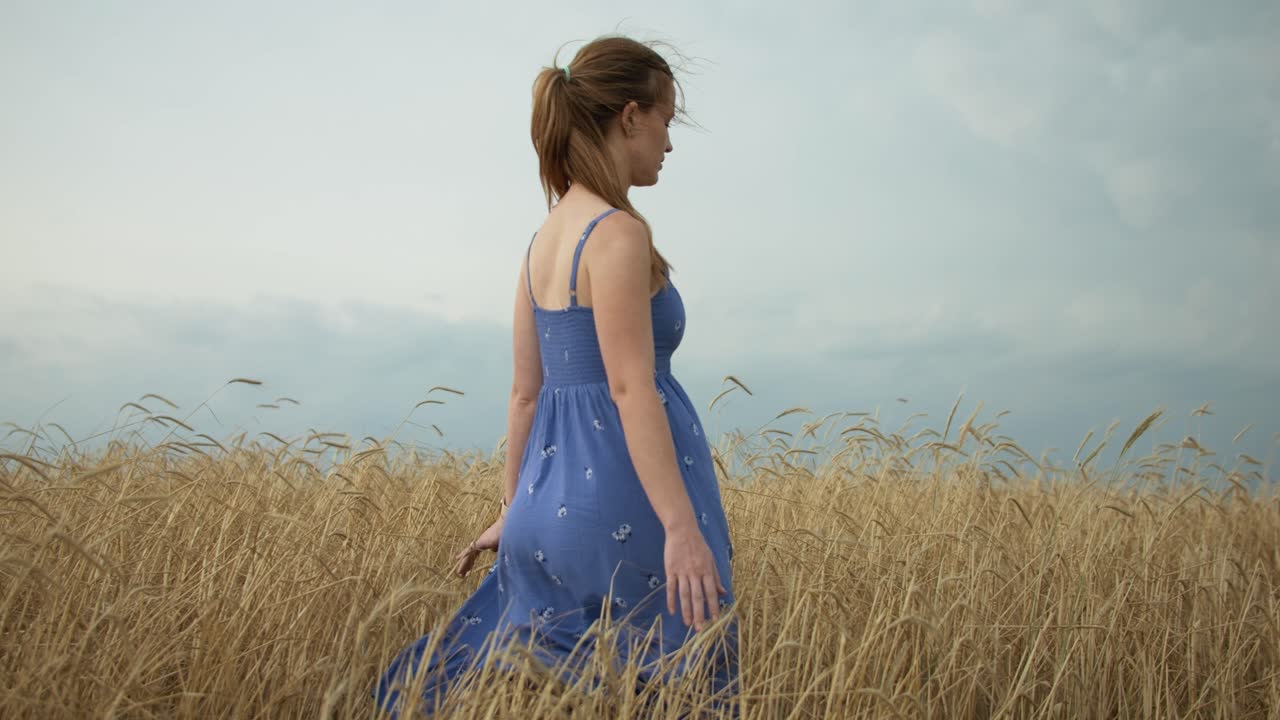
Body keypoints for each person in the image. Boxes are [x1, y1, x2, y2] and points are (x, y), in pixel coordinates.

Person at [372, 34, 738, 717]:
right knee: (673, 687)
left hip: (549, 507)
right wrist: (681, 527)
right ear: (630, 116)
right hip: (631, 509)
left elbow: (524, 394)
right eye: (666, 118)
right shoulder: (619, 235)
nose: (669, 140)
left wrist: (514, 511)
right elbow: (630, 387)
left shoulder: (542, 241)